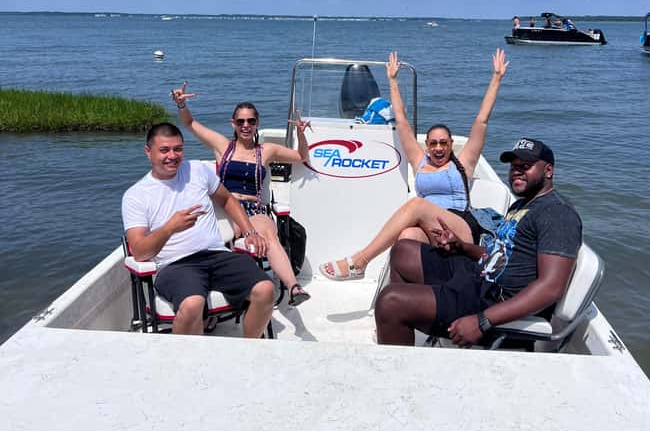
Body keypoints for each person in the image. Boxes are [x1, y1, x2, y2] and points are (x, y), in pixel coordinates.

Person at [319, 49, 509, 281]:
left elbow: (482, 120)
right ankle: (399, 297)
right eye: (433, 143)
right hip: (429, 228)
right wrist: (392, 80)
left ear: (451, 144)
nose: (439, 148)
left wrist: (497, 78)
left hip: (460, 227)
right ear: (427, 145)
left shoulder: (463, 163)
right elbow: (401, 121)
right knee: (406, 237)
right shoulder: (420, 162)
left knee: (418, 204)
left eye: (443, 143)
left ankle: (360, 261)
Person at [374, 138, 582, 346]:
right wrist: (462, 247)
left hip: (493, 302)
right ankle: (402, 328)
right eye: (514, 167)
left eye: (525, 166)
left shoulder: (557, 214)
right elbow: (498, 255)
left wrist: (483, 321)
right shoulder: (522, 206)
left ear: (548, 171)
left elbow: (550, 287)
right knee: (403, 250)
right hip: (477, 277)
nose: (516, 171)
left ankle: (400, 326)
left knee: (390, 301)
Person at [122, 123, 275, 337]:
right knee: (193, 304)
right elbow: (139, 251)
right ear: (149, 152)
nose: (172, 156)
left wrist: (250, 231)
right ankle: (189, 364)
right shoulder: (136, 195)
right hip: (175, 265)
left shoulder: (197, 170)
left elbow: (227, 199)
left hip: (217, 255)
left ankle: (248, 350)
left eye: (178, 149)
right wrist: (170, 228)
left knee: (266, 290)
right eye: (164, 150)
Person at [169, 83, 312, 306]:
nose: (246, 125)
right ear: (233, 124)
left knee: (267, 233)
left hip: (254, 209)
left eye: (251, 121)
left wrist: (301, 134)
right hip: (224, 208)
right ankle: (202, 297)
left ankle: (293, 287)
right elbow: (189, 123)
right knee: (208, 237)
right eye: (241, 121)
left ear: (257, 124)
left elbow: (301, 156)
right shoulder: (222, 145)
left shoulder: (267, 151)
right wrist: (181, 104)